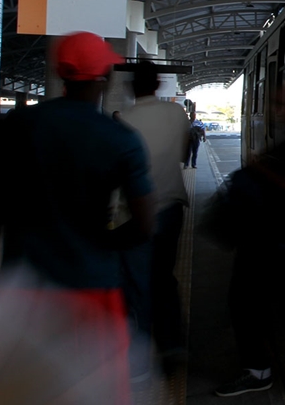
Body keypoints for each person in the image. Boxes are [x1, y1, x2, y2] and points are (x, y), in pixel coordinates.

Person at [0, 31, 155, 404]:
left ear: (63, 75)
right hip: (93, 285)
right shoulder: (120, 138)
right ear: (103, 78)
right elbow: (144, 225)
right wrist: (103, 244)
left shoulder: (18, 124)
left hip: (23, 284)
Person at [213, 86, 285, 397]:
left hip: (277, 241)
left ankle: (259, 372)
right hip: (269, 238)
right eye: (275, 103)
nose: (278, 109)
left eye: (284, 103)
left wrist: (260, 168)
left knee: (244, 302)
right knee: (259, 304)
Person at [119, 61, 191, 380]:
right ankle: (173, 347)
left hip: (134, 212)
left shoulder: (122, 119)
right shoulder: (177, 114)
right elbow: (182, 153)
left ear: (131, 87)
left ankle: (140, 360)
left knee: (138, 283)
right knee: (165, 278)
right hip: (172, 207)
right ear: (159, 84)